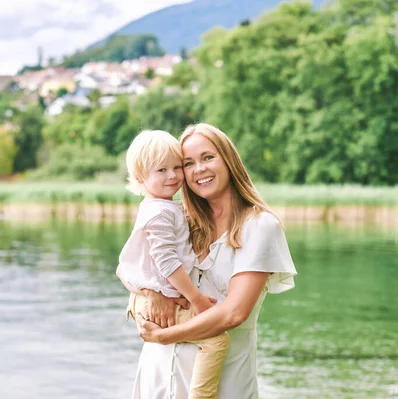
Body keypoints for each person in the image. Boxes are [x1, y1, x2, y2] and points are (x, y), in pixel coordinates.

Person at [120, 123, 298, 398]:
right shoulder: (181, 222)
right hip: (158, 378)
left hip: (224, 386)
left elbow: (234, 313)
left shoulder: (260, 227)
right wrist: (149, 291)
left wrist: (165, 336)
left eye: (208, 157)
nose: (198, 169)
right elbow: (126, 267)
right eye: (188, 163)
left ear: (228, 160)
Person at [116, 129, 231, 399]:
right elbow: (167, 263)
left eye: (177, 167)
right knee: (216, 340)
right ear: (140, 178)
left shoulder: (163, 207)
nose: (173, 175)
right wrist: (197, 299)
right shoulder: (159, 213)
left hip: (152, 295)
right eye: (161, 170)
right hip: (156, 297)